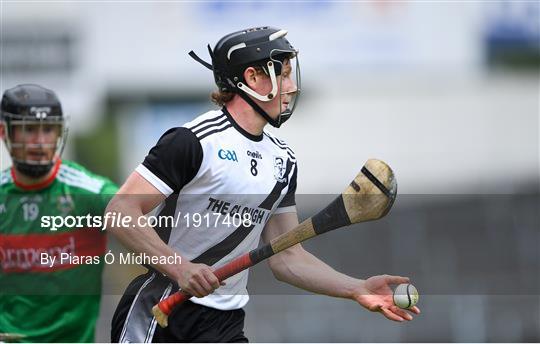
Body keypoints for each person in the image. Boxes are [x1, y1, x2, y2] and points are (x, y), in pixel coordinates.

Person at [108, 26, 420, 343]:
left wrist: (356, 288)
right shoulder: (193, 141)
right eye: (282, 74)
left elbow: (288, 258)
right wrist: (180, 268)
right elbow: (120, 211)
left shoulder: (283, 160)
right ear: (253, 78)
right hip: (161, 312)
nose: (292, 85)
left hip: (225, 324)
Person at [0, 84, 118, 342]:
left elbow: (140, 221)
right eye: (28, 129)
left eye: (48, 129)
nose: (39, 141)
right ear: (4, 132)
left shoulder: (92, 192)